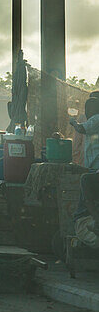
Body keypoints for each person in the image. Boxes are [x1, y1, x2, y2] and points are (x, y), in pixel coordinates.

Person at [69, 93, 99, 225]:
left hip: (95, 166)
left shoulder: (96, 119)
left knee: (88, 191)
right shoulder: (93, 120)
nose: (86, 112)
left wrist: (73, 122)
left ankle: (90, 219)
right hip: (92, 165)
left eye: (88, 108)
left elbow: (81, 128)